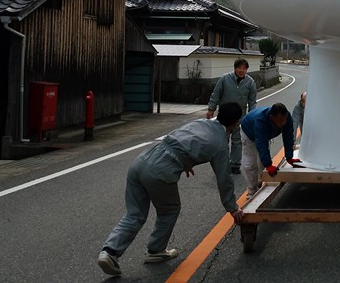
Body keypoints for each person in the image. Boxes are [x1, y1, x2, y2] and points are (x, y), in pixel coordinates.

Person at [97, 102, 245, 277]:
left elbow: (181, 140)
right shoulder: (220, 143)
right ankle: (156, 250)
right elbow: (224, 178)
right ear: (235, 123)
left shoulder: (201, 123)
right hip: (160, 171)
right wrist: (232, 208)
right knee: (170, 210)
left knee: (134, 214)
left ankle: (109, 252)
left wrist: (186, 162)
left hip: (142, 160)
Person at [207, 58, 257, 174]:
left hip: (240, 116)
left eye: (244, 68)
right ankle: (222, 163)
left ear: (247, 70)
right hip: (224, 116)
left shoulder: (250, 82)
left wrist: (252, 116)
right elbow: (216, 94)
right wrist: (211, 109)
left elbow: (252, 101)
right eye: (239, 68)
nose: (241, 70)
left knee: (237, 140)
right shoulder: (225, 79)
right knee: (222, 139)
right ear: (235, 68)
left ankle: (235, 163)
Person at [240, 103, 300, 197]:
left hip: (265, 135)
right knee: (250, 163)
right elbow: (261, 143)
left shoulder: (287, 118)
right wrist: (268, 165)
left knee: (261, 162)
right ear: (272, 117)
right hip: (249, 132)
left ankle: (259, 181)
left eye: (284, 120)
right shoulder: (261, 121)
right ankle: (252, 191)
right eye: (279, 120)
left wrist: (289, 157)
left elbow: (288, 137)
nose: (282, 123)